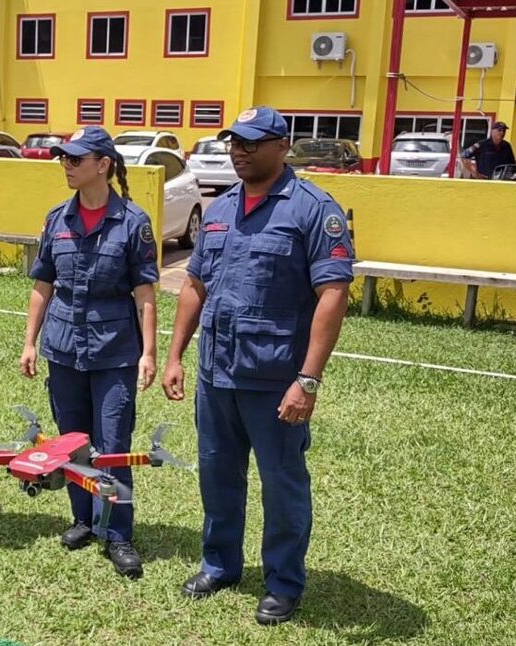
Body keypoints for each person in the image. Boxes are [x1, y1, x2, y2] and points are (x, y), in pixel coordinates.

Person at [161, 107, 354, 624]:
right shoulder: (220, 208)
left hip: (275, 381)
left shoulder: (312, 209)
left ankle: (283, 583)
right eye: (233, 142)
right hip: (216, 374)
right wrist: (176, 354)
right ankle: (220, 564)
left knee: (282, 482)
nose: (238, 150)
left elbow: (333, 293)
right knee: (218, 477)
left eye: (251, 142)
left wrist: (307, 380)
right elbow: (195, 285)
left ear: (282, 145)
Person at [20, 126, 159, 579]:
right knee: (72, 441)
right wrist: (29, 342)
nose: (67, 165)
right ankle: (83, 519)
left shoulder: (133, 222)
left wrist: (149, 352)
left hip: (115, 352)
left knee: (113, 447)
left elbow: (145, 293)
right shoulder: (56, 218)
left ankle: (118, 534)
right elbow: (44, 285)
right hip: (63, 349)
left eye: (76, 159)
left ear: (103, 165)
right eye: (64, 158)